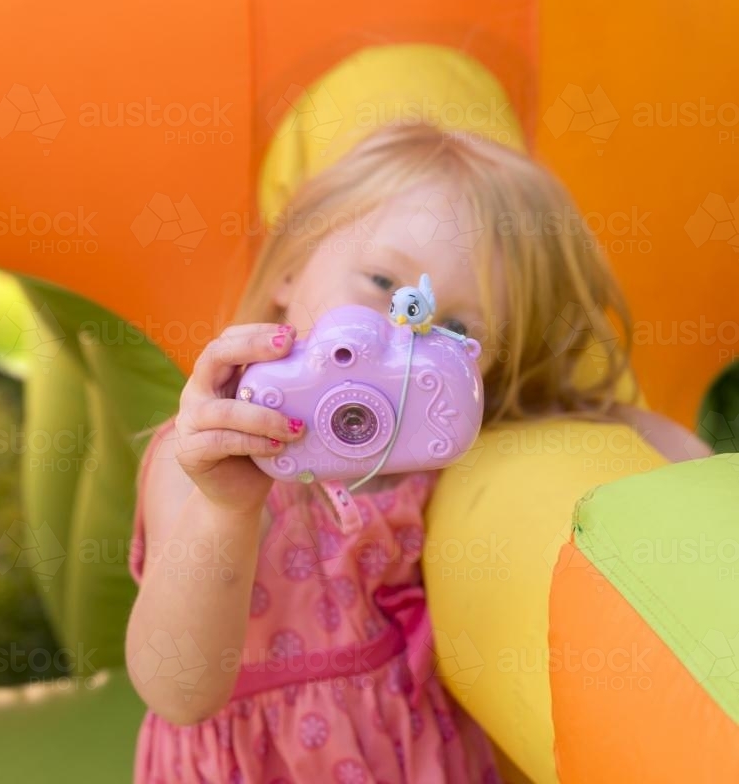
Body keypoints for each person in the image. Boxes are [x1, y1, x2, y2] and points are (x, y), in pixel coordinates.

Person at [125, 123, 709, 783]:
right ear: (291, 265)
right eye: (381, 281)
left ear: (490, 368)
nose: (403, 336)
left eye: (455, 327)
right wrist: (226, 511)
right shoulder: (208, 461)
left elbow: (642, 446)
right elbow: (177, 690)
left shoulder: (455, 457)